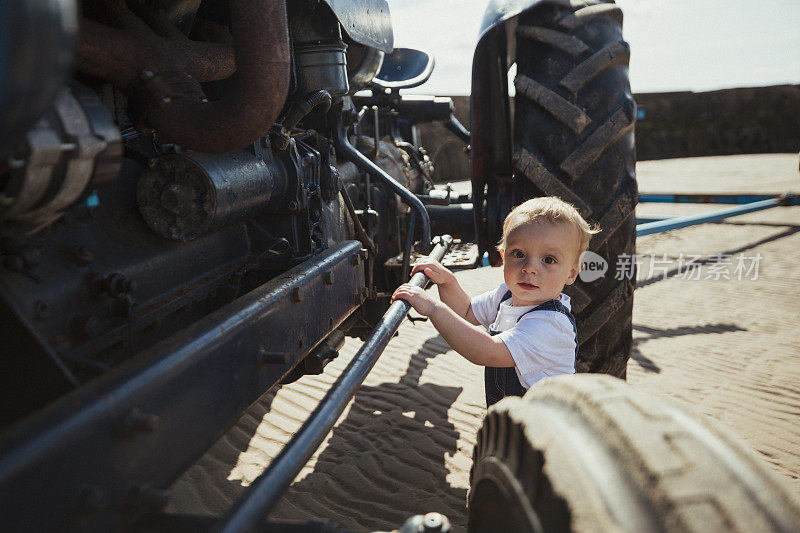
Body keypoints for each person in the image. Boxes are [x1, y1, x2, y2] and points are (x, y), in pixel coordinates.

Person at [391, 196, 600, 406]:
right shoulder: (506, 295)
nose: (530, 267)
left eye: (548, 260)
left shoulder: (551, 325)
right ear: (502, 256)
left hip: (544, 431)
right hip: (512, 423)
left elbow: (487, 351)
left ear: (571, 273)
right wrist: (447, 281)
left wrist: (434, 309)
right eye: (518, 254)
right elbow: (466, 311)